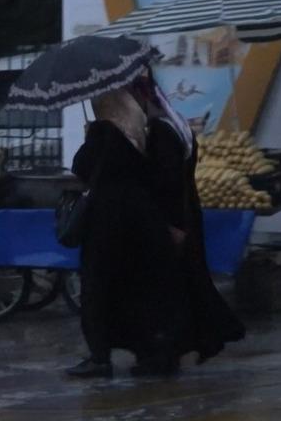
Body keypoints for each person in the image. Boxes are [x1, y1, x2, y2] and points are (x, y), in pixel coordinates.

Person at [66, 88, 193, 378]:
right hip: (142, 218)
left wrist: (90, 135)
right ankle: (153, 353)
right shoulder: (143, 133)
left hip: (106, 220)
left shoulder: (105, 132)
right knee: (141, 287)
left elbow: (82, 168)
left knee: (97, 287)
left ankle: (99, 356)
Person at [131, 72, 246, 367]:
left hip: (172, 218)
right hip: (185, 212)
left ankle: (168, 353)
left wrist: (169, 225)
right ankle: (203, 339)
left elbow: (164, 182)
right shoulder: (176, 126)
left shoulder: (159, 132)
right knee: (187, 284)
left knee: (168, 290)